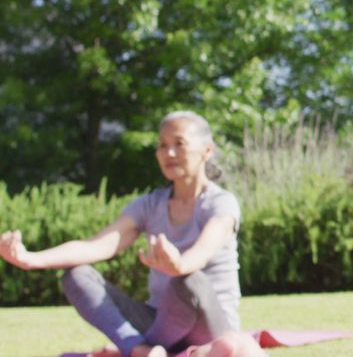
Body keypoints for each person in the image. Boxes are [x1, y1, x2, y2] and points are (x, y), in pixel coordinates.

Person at [0, 111, 248, 357]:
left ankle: (138, 349)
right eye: (162, 145)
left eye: (179, 144)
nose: (168, 153)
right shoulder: (150, 205)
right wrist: (30, 259)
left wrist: (178, 264)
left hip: (210, 325)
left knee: (187, 280)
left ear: (207, 150)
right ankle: (138, 349)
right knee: (76, 274)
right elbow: (97, 246)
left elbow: (203, 252)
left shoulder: (222, 203)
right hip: (159, 319)